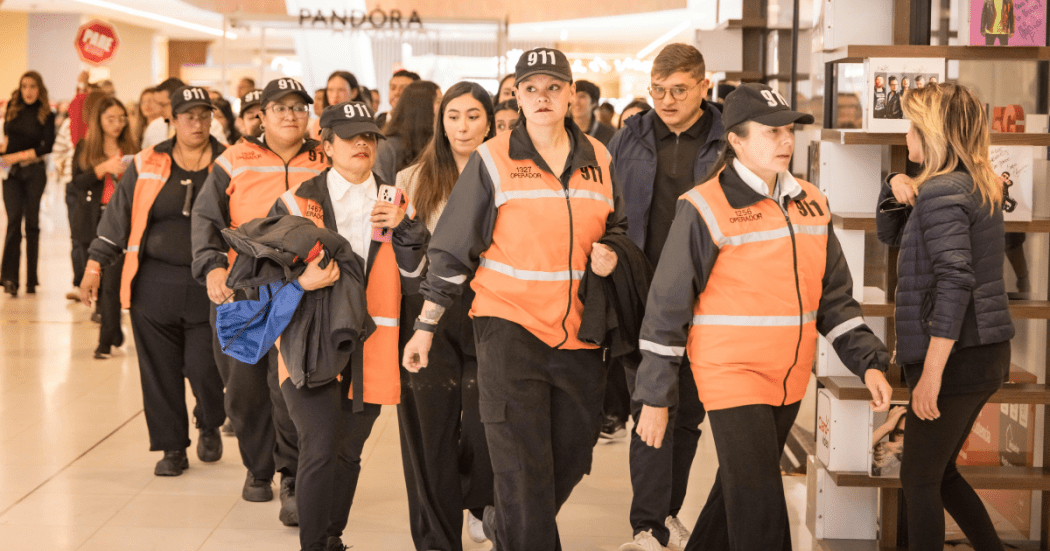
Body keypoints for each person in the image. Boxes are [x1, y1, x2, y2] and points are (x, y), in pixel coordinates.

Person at [634, 83, 893, 551]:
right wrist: (654, 395)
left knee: (736, 496)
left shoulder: (811, 201)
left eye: (789, 130)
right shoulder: (705, 206)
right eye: (771, 132)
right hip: (731, 376)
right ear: (735, 140)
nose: (786, 140)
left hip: (787, 379)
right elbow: (666, 308)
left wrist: (869, 362)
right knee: (761, 510)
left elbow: (833, 298)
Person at [402, 46, 627, 551]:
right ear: (517, 97)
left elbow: (619, 224)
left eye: (553, 87)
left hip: (580, 333)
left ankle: (507, 526)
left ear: (571, 94)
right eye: (531, 88)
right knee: (522, 470)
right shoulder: (493, 158)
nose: (542, 96)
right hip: (509, 329)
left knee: (572, 456)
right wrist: (426, 326)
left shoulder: (600, 157)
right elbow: (453, 248)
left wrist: (613, 249)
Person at [267, 99, 429, 551]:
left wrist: (408, 229)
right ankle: (315, 544)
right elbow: (266, 278)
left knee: (348, 451)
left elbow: (416, 279)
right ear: (326, 144)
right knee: (319, 445)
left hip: (374, 344)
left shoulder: (396, 202)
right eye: (350, 136)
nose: (362, 143)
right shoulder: (296, 201)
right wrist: (303, 281)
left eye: (370, 136)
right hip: (309, 341)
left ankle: (331, 536)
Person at [876, 82, 1015, 551]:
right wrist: (894, 184)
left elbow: (955, 282)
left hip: (954, 358)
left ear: (930, 133)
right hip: (983, 353)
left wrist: (931, 374)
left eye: (911, 127)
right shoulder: (975, 184)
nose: (906, 136)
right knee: (941, 474)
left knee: (918, 477)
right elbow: (894, 236)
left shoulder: (940, 193)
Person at [192, 77, 325, 527]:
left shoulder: (325, 158)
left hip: (303, 290)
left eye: (299, 108)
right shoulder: (233, 159)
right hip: (243, 291)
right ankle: (258, 467)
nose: (290, 115)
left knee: (292, 388)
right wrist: (212, 267)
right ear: (261, 116)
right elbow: (206, 219)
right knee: (245, 391)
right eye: (280, 108)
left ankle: (292, 477)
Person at [607, 43, 723, 551]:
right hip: (642, 294)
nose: (666, 100)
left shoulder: (728, 139)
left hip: (708, 294)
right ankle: (648, 525)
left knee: (689, 413)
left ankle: (667, 513)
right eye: (658, 90)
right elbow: (607, 206)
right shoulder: (629, 138)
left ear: (704, 86)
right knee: (651, 407)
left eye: (678, 90)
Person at [80, 86, 227, 476]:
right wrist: (94, 265)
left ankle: (210, 420)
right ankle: (172, 448)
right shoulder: (148, 160)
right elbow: (118, 215)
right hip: (153, 285)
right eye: (189, 116)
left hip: (212, 287)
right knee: (159, 371)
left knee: (206, 368)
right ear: (172, 120)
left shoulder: (229, 162)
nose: (197, 123)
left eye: (204, 116)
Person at [395, 81, 496, 551]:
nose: (463, 126)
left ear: (490, 122)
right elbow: (400, 259)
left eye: (473, 116)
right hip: (426, 312)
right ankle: (436, 539)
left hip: (491, 309)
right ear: (440, 121)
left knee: (483, 422)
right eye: (453, 116)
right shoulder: (411, 179)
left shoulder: (506, 173)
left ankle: (479, 501)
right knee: (429, 431)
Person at [70, 96, 139, 358]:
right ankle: (113, 330)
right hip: (91, 219)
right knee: (96, 280)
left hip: (120, 220)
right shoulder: (85, 146)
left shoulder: (131, 147)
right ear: (98, 121)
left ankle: (104, 342)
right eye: (110, 119)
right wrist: (102, 169)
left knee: (111, 283)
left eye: (121, 118)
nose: (117, 124)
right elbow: (76, 183)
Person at [1, 71, 56, 297]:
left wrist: (17, 156)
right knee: (14, 220)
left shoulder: (47, 114)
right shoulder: (12, 109)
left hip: (34, 172)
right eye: (24, 86)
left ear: (39, 88)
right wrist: (6, 155)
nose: (28, 91)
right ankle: (9, 278)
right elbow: (7, 140)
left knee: (32, 223)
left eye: (33, 86)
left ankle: (31, 279)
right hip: (11, 174)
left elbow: (47, 146)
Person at [376, 81, 440, 185]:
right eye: (438, 101)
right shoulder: (388, 147)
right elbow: (382, 189)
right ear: (422, 106)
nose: (443, 106)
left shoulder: (437, 142)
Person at [142, 78, 227, 149]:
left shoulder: (210, 125)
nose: (159, 110)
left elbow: (223, 155)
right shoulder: (154, 127)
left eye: (162, 105)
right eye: (157, 104)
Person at [307, 71, 360, 138]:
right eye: (330, 90)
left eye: (341, 90)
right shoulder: (320, 123)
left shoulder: (362, 121)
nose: (335, 95)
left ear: (354, 92)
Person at [572, 80, 616, 145]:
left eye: (582, 96)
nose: (576, 101)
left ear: (594, 103)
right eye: (573, 95)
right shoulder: (561, 131)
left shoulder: (609, 135)